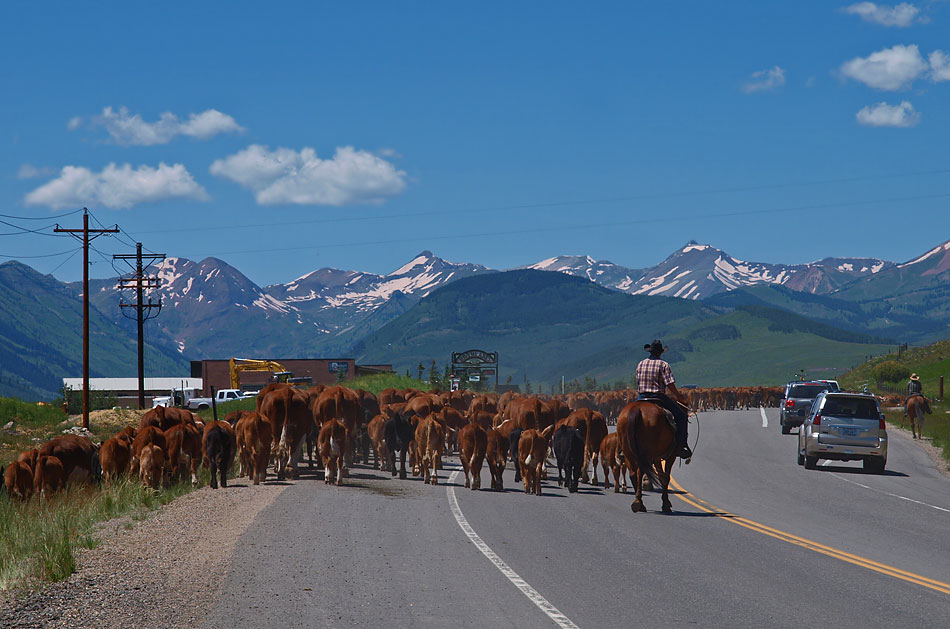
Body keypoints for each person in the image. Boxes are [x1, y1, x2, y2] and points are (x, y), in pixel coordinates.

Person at [636, 339, 692, 459]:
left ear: (650, 351)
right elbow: (669, 384)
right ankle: (680, 446)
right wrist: (678, 395)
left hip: (641, 397)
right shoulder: (663, 364)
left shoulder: (641, 363)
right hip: (657, 397)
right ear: (660, 353)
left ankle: (621, 447)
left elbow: (638, 381)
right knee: (682, 416)